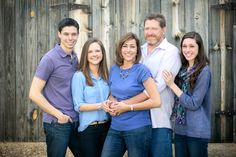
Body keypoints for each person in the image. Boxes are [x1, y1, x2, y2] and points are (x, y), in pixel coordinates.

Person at [101, 32, 161, 157]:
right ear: (120, 49)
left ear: (137, 50)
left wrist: (128, 107)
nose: (128, 50)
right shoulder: (114, 69)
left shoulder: (142, 70)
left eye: (132, 46)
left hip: (138, 129)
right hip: (115, 127)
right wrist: (109, 103)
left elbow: (156, 101)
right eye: (125, 46)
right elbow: (113, 94)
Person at [29, 18, 80, 157]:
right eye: (66, 34)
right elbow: (34, 93)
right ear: (59, 34)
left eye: (73, 34)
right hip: (57, 123)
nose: (70, 38)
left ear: (78, 35)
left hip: (76, 121)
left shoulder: (75, 58)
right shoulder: (49, 59)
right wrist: (59, 115)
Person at [162, 31, 211, 157]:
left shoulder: (204, 71)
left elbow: (194, 103)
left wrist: (172, 85)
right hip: (180, 129)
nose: (187, 50)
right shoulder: (181, 69)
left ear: (199, 48)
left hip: (197, 131)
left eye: (192, 46)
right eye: (184, 46)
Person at [141, 13, 182, 157]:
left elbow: (159, 85)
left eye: (154, 29)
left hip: (159, 120)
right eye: (146, 29)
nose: (150, 33)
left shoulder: (171, 52)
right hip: (138, 121)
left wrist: (131, 100)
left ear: (163, 29)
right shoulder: (139, 51)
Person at [71, 38, 110, 157]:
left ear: (102, 53)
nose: (94, 54)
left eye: (97, 51)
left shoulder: (106, 75)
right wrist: (100, 105)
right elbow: (78, 106)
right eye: (90, 52)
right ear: (85, 55)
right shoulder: (79, 76)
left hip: (107, 127)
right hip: (89, 130)